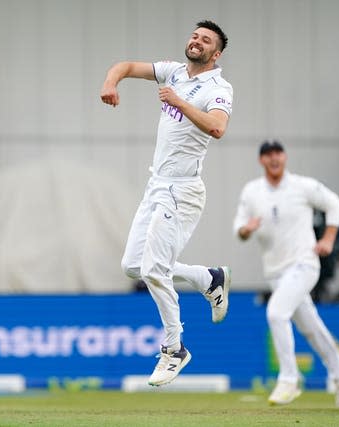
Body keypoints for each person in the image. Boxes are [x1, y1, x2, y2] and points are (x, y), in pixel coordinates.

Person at [100, 20, 232, 387]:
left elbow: (218, 128)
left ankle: (174, 349)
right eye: (194, 35)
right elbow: (125, 66)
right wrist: (111, 83)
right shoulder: (173, 72)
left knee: (154, 270)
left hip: (184, 190)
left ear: (215, 54)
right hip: (157, 185)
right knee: (133, 267)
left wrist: (180, 102)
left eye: (205, 40)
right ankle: (208, 278)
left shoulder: (219, 87)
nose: (196, 41)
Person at [233, 140, 339, 407]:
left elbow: (334, 204)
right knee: (310, 327)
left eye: (278, 153)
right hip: (276, 272)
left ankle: (289, 379)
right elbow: (239, 228)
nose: (273, 159)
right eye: (268, 155)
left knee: (276, 313)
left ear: (285, 157)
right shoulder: (252, 192)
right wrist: (247, 229)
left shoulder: (302, 186)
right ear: (261, 161)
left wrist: (329, 239)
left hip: (305, 263)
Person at [311, 211, 339, 303]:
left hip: (327, 264)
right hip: (309, 262)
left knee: (327, 293)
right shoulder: (305, 214)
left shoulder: (331, 216)